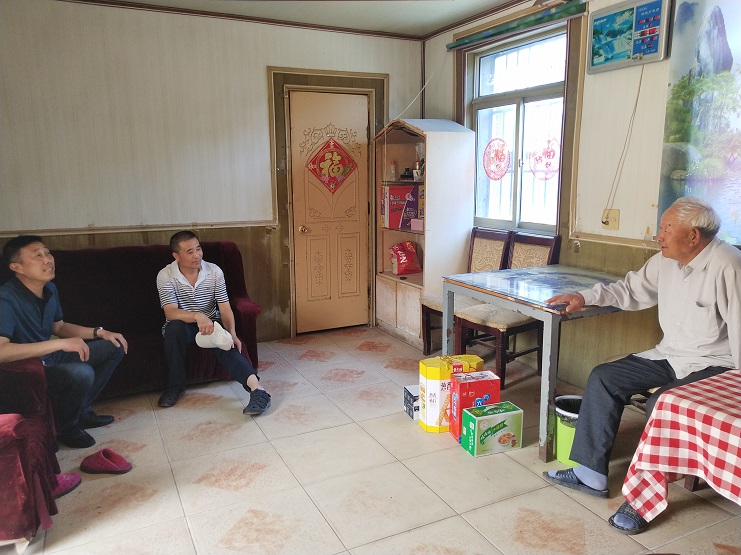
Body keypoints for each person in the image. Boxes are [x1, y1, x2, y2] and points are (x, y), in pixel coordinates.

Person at [542, 196, 741, 534]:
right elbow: (630, 290)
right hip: (671, 354)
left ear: (693, 236)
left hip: (717, 365)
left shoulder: (729, 265)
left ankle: (641, 501)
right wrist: (585, 297)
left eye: (666, 228)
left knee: (661, 404)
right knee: (605, 377)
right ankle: (590, 473)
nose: (658, 236)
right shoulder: (666, 260)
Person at [0, 236, 128, 448]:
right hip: (25, 370)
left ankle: (82, 412)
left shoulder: (50, 289)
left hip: (49, 358)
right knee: (81, 372)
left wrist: (100, 332)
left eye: (47, 252)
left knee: (113, 345)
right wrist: (59, 344)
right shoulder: (5, 299)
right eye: (37, 255)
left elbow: (58, 327)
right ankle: (67, 428)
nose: (47, 259)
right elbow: (2, 351)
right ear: (16, 267)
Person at [156, 230, 270, 414]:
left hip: (210, 324)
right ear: (176, 256)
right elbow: (170, 312)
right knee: (173, 328)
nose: (197, 255)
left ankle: (258, 391)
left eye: (198, 249)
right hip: (183, 326)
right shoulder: (166, 275)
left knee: (225, 344)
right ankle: (175, 387)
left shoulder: (214, 271)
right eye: (190, 252)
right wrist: (197, 316)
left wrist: (232, 333)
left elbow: (224, 307)